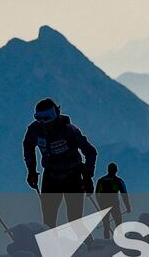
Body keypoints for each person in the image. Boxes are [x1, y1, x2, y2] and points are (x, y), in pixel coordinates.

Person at [24, 98, 97, 229]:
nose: (42, 123)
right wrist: (31, 171)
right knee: (48, 219)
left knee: (74, 219)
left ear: (55, 115)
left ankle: (83, 246)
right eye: (38, 118)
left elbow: (90, 152)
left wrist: (87, 176)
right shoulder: (34, 130)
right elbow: (28, 146)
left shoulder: (69, 131)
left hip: (73, 176)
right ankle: (53, 247)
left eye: (46, 118)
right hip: (50, 176)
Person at [94, 162, 131, 238]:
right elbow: (124, 194)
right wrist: (128, 207)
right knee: (118, 224)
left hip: (104, 205)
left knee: (106, 226)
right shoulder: (118, 181)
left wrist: (100, 204)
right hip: (114, 205)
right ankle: (120, 240)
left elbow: (97, 194)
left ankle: (107, 241)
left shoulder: (101, 180)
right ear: (116, 170)